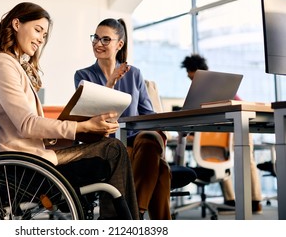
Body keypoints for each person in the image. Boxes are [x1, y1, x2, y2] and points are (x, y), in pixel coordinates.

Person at [0, 2, 139, 220]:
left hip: (33, 157)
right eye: (37, 30)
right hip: (25, 165)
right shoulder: (1, 63)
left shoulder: (11, 64)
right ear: (16, 24)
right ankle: (124, 226)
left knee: (111, 147)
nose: (40, 39)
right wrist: (82, 126)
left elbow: (29, 127)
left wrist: (85, 131)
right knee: (113, 149)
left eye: (44, 35)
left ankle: (121, 225)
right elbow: (27, 124)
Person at [74, 18, 172, 220]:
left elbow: (148, 114)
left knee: (149, 139)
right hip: (107, 144)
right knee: (161, 169)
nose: (98, 43)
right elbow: (91, 118)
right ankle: (138, 217)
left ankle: (134, 216)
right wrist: (110, 83)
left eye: (105, 39)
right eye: (96, 38)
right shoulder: (83, 76)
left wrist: (162, 131)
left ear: (119, 44)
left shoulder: (134, 74)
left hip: (137, 143)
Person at [180, 54, 263, 214]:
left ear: (197, 72)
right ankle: (231, 199)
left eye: (192, 77)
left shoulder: (220, 86)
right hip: (224, 131)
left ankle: (255, 201)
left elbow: (240, 104)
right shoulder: (201, 91)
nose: (191, 82)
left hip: (241, 124)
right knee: (221, 159)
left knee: (247, 160)